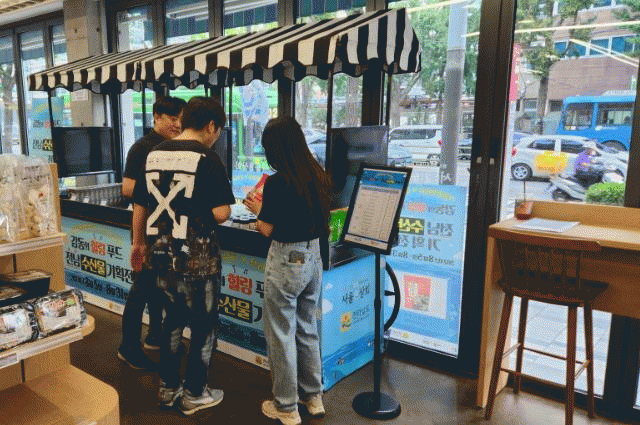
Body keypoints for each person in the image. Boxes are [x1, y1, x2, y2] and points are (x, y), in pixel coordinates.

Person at [130, 96, 235, 414]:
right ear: (211, 126)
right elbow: (221, 213)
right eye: (218, 130)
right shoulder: (208, 158)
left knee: (171, 322)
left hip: (160, 255)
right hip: (197, 260)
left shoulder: (154, 153)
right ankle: (194, 393)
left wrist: (138, 243)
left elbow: (141, 203)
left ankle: (168, 388)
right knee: (203, 326)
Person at [244, 117, 333, 425]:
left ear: (275, 149)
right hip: (314, 256)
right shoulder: (318, 174)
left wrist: (258, 211)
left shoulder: (278, 182)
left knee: (281, 334)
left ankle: (286, 407)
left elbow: (267, 229)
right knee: (307, 327)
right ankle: (313, 397)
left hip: (287, 259)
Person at [118, 96, 186, 370]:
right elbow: (128, 189)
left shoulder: (175, 147)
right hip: (147, 231)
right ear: (156, 117)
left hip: (168, 232)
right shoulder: (142, 148)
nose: (177, 125)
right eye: (172, 119)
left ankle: (156, 335)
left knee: (163, 287)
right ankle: (128, 347)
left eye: (181, 119)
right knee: (141, 290)